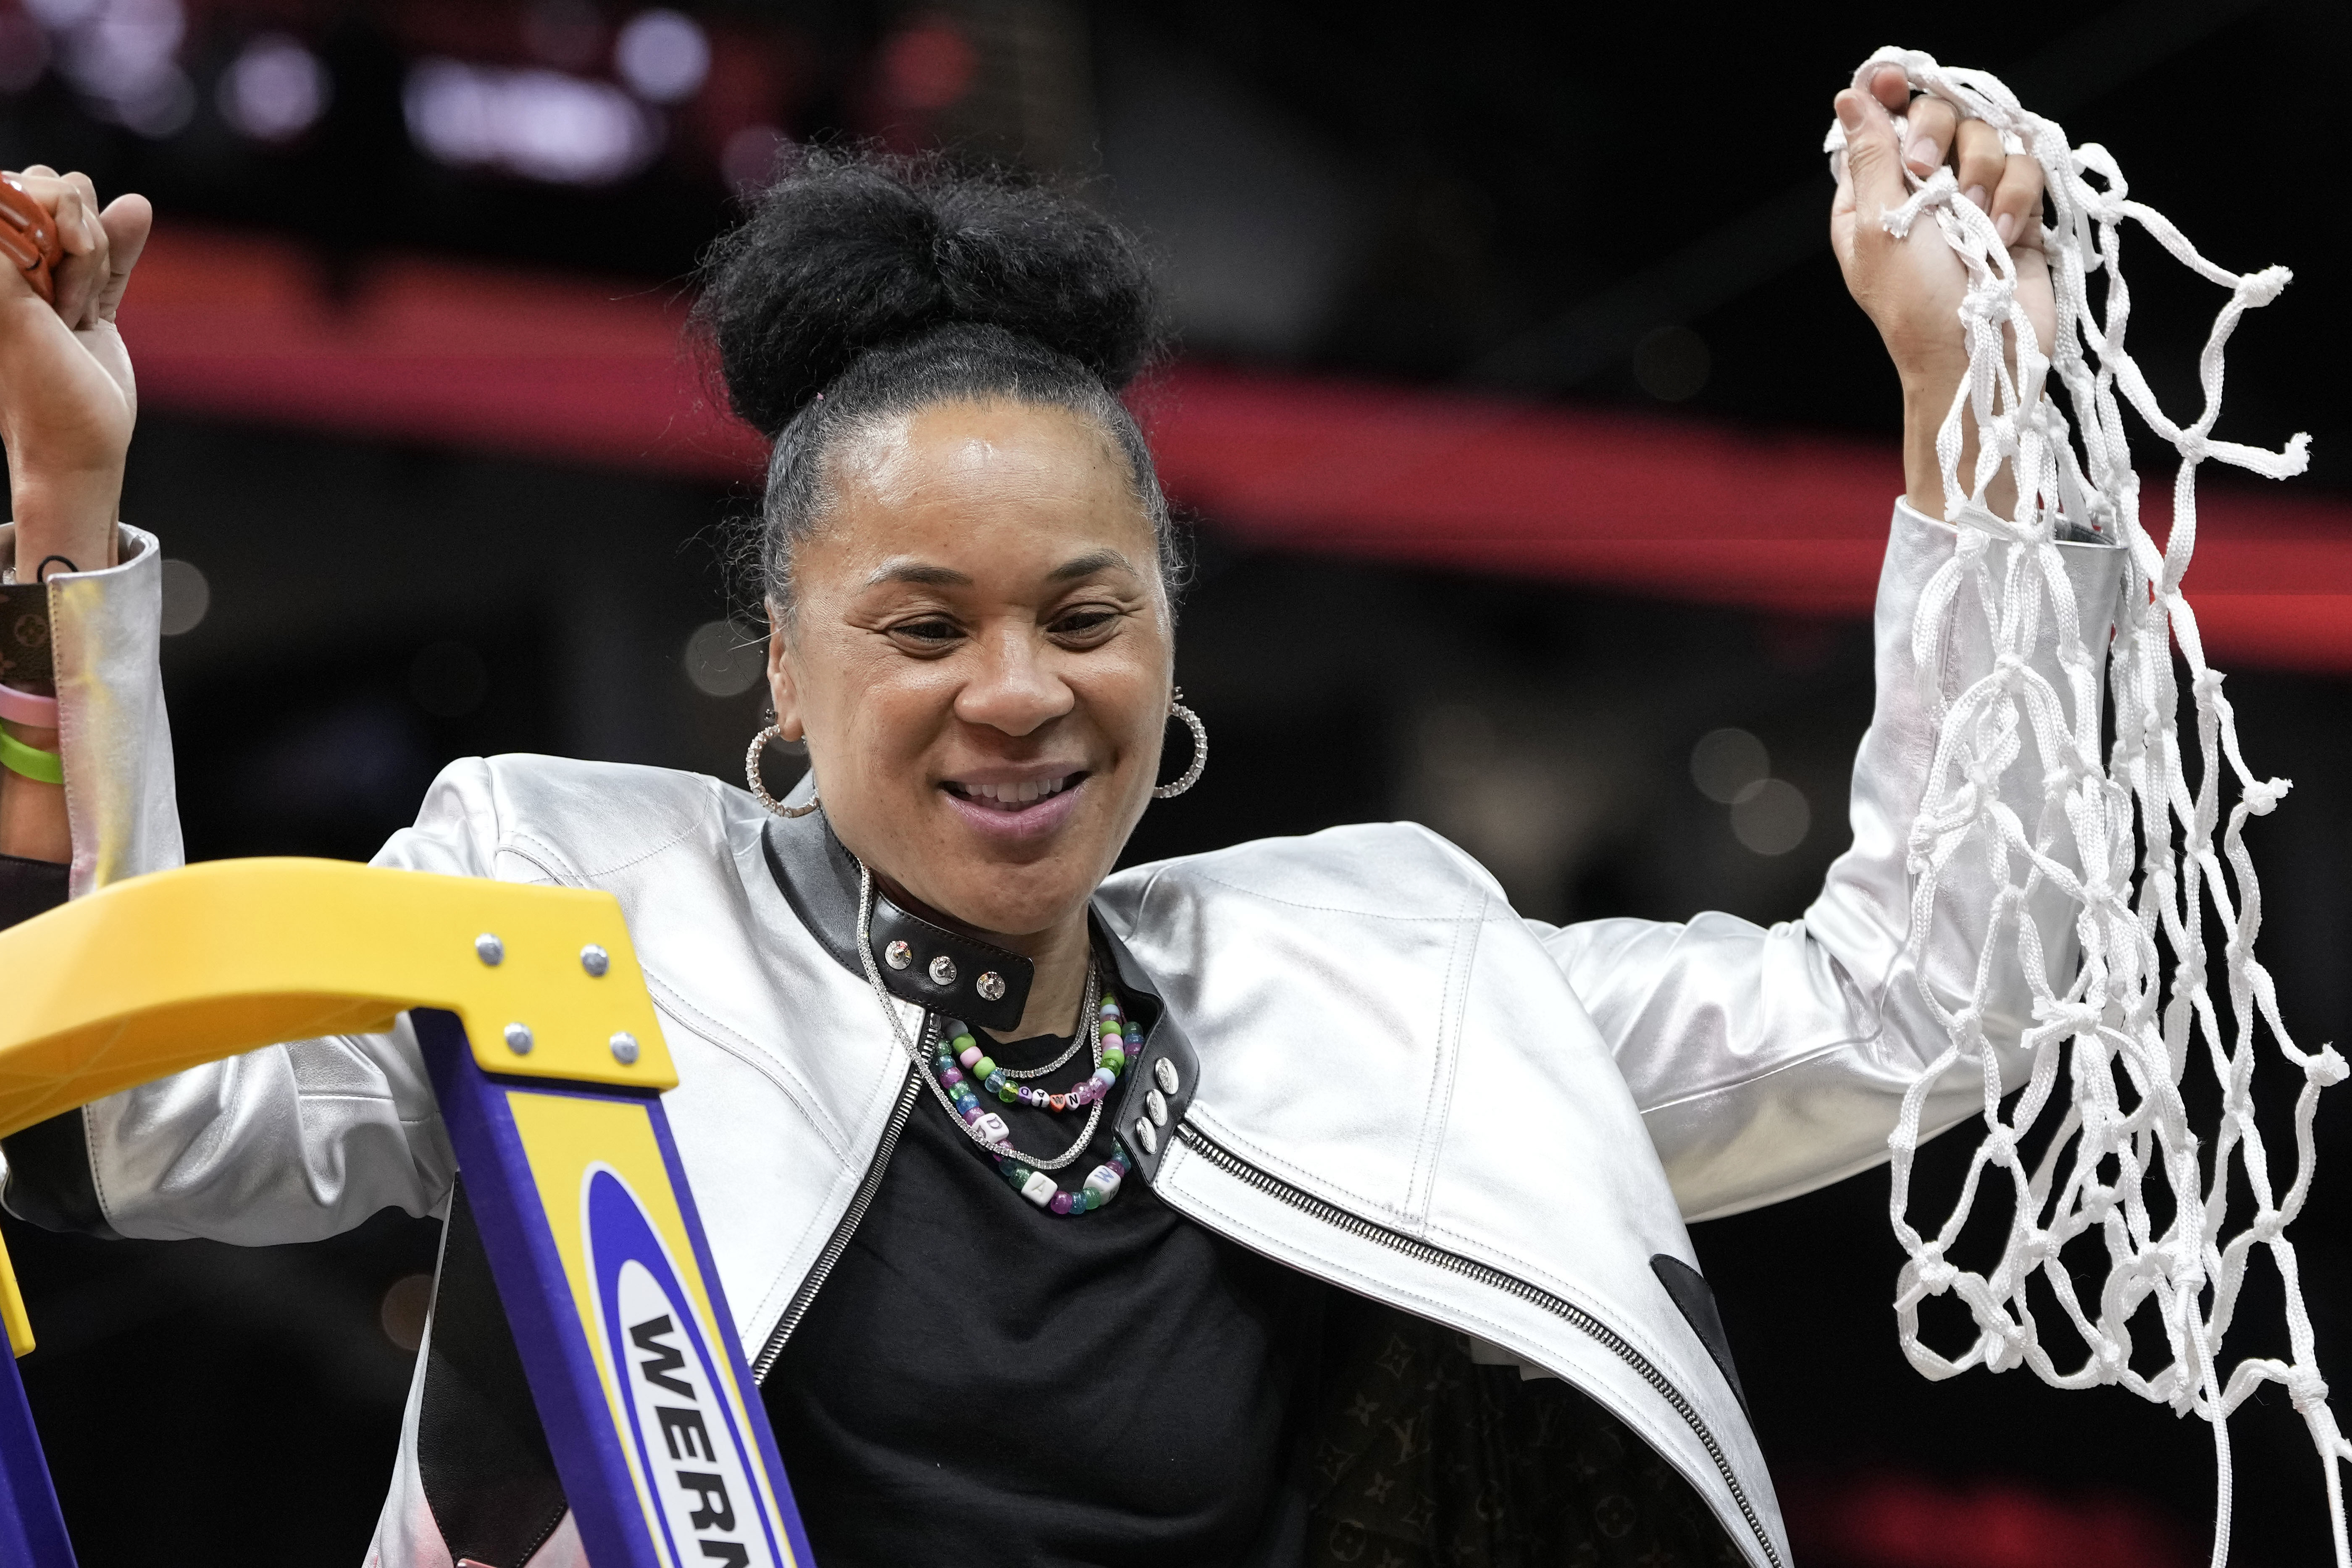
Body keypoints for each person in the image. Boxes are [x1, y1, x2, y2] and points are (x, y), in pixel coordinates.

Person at [0, 66, 2121, 1568]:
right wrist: (62, 512)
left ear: (1167, 639)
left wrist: (1975, 409)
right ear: (789, 656)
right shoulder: (568, 903)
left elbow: (1933, 994)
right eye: (921, 625)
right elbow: (132, 1118)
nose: (1016, 692)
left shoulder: (1394, 966)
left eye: (1083, 615)